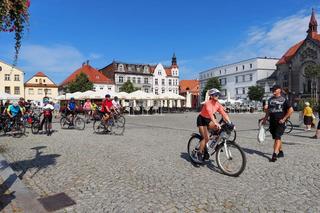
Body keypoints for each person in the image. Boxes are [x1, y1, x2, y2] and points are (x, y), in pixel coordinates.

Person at [196, 88, 231, 162]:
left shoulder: (217, 104)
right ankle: (199, 153)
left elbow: (223, 113)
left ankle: (215, 145)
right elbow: (211, 114)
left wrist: (230, 122)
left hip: (209, 120)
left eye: (218, 95)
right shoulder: (207, 103)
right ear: (211, 96)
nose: (217, 96)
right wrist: (216, 123)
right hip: (202, 120)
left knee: (219, 130)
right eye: (215, 95)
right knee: (206, 138)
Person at [261, 85, 294, 162]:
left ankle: (274, 154)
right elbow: (268, 111)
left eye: (275, 89)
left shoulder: (284, 99)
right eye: (273, 89)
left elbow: (291, 110)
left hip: (280, 122)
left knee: (277, 137)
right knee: (276, 137)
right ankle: (281, 151)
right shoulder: (270, 100)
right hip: (272, 122)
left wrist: (284, 119)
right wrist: (265, 118)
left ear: (280, 90)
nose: (273, 90)